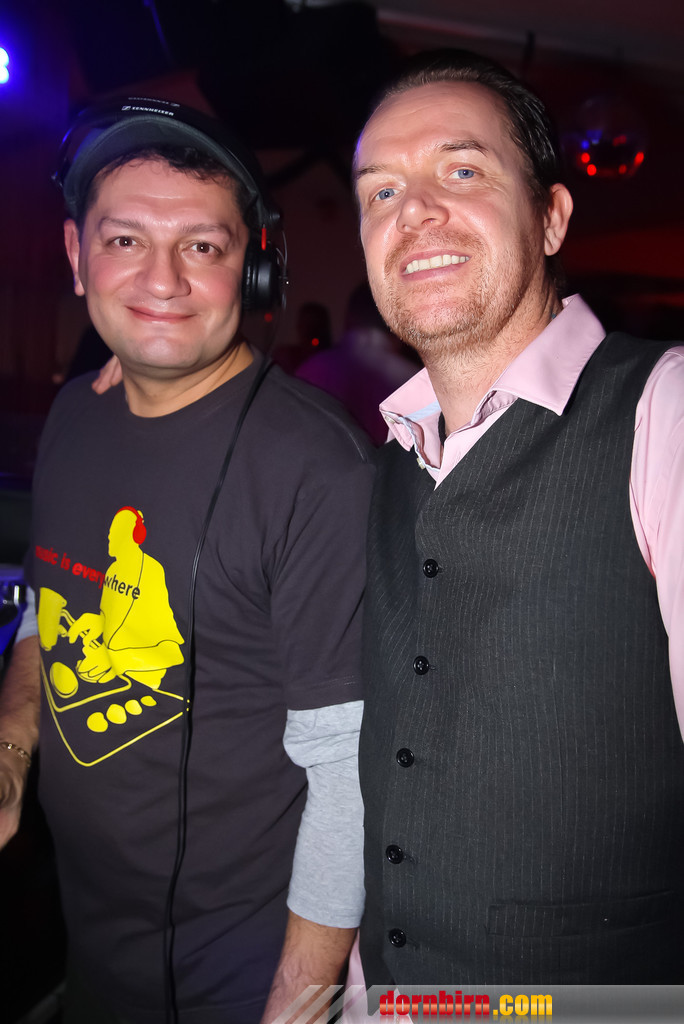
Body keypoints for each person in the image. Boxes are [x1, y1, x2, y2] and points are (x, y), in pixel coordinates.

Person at [0, 98, 374, 1023]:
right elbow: (49, 607)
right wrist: (11, 744)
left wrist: (300, 1001)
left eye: (202, 246)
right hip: (90, 943)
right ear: (76, 253)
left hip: (238, 978)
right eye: (125, 240)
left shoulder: (315, 467)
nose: (162, 278)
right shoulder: (76, 414)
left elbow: (348, 773)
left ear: (252, 269)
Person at [353, 49, 684, 989]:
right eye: (381, 192)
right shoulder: (392, 455)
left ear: (551, 216)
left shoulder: (665, 408)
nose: (414, 212)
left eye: (461, 171)